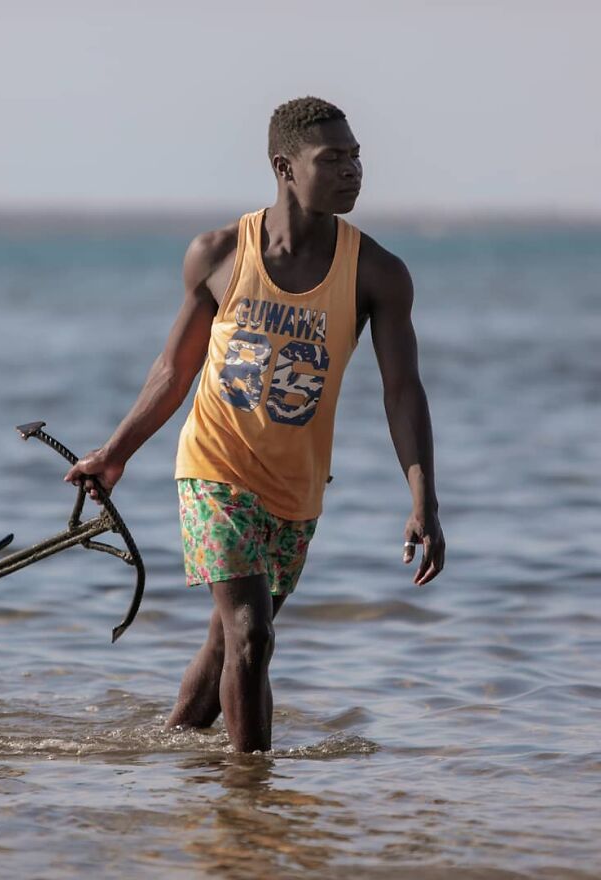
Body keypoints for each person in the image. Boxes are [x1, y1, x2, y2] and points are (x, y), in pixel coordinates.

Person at [64, 95, 445, 752]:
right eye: (334, 159)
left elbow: (402, 390)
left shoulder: (377, 272)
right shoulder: (217, 255)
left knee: (228, 651)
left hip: (296, 488)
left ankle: (168, 753)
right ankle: (251, 799)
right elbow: (174, 371)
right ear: (284, 167)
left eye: (357, 157)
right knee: (253, 634)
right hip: (213, 468)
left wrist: (423, 500)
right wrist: (116, 452)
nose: (354, 171)